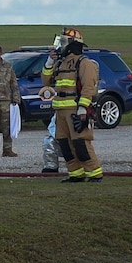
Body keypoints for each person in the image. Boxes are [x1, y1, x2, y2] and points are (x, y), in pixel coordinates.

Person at [44, 28, 104, 183]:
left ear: (72, 44)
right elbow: (46, 81)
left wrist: (83, 109)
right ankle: (75, 174)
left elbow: (88, 87)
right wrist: (50, 62)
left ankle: (94, 173)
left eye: (63, 42)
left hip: (75, 110)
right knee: (64, 143)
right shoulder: (60, 63)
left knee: (81, 142)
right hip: (60, 110)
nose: (60, 45)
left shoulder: (84, 63)